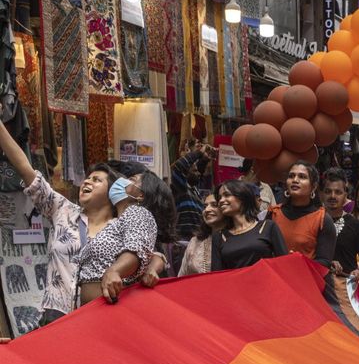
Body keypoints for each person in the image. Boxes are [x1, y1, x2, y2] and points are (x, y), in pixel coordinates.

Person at [0, 119, 117, 323]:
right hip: (56, 315)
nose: (87, 181)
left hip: (99, 319)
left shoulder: (120, 227)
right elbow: (26, 170)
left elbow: (143, 256)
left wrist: (156, 261)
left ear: (112, 193)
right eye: (87, 178)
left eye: (97, 180)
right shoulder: (63, 210)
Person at [77, 169, 165, 304]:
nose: (122, 181)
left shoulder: (137, 212)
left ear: (140, 195)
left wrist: (114, 271)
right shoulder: (116, 222)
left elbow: (136, 249)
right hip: (93, 309)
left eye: (132, 180)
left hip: (111, 307)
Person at [269, 161, 335, 270]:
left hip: (307, 278)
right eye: (291, 176)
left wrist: (297, 263)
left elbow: (324, 263)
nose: (295, 180)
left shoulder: (322, 219)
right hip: (274, 276)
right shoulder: (273, 213)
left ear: (313, 186)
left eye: (302, 177)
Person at [211, 180, 289, 270]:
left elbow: (284, 264)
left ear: (242, 197)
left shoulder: (267, 227)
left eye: (227, 195)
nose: (221, 201)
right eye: (219, 198)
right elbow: (217, 274)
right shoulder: (219, 237)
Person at [321, 169, 359, 282]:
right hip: (316, 284)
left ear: (345, 195)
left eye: (338, 192)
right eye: (328, 191)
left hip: (347, 286)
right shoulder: (313, 221)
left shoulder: (356, 225)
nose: (333, 196)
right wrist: (327, 263)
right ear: (322, 194)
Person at [170, 142, 213, 240]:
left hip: (195, 240)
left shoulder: (194, 190)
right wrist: (199, 152)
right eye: (194, 171)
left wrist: (205, 159)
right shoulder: (181, 188)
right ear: (185, 173)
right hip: (182, 241)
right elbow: (179, 167)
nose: (199, 174)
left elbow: (200, 169)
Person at [179, 193, 226, 276]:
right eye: (205, 206)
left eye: (214, 205)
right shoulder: (195, 241)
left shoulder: (235, 240)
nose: (207, 210)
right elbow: (182, 276)